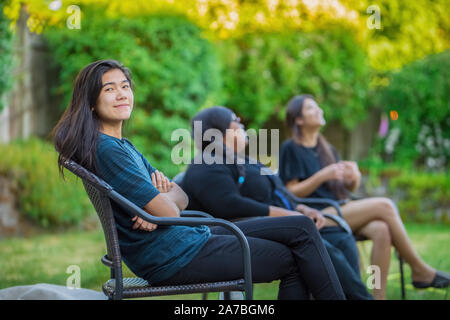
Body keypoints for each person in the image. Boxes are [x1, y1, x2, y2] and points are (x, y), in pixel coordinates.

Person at [51, 60, 345, 300]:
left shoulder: (123, 146)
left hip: (186, 238)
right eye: (109, 89)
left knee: (299, 232)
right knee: (298, 244)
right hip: (173, 255)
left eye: (125, 87)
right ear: (91, 102)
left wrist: (161, 204)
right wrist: (161, 205)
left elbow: (179, 195)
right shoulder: (109, 150)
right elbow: (167, 209)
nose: (122, 94)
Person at [181, 106, 373, 300]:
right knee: (321, 246)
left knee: (340, 237)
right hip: (245, 232)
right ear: (219, 132)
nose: (242, 124)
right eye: (236, 121)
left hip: (284, 224)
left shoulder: (246, 161)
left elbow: (279, 192)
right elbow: (229, 204)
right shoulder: (207, 164)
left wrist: (300, 207)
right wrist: (288, 216)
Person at [278, 94, 450, 299]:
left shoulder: (327, 148)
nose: (319, 110)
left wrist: (354, 177)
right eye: (311, 108)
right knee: (385, 206)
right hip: (318, 212)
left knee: (382, 229)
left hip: (341, 206)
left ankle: (378, 295)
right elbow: (290, 191)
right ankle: (419, 269)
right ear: (298, 119)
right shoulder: (291, 148)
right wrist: (322, 176)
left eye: (317, 107)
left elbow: (346, 188)